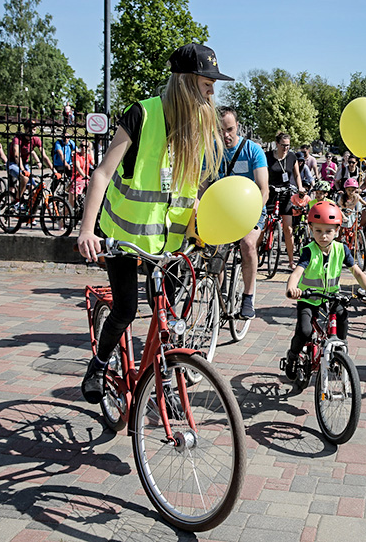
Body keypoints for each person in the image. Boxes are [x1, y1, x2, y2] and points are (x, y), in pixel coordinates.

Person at [77, 42, 232, 404]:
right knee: (126, 308)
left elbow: (192, 191)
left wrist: (203, 228)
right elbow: (102, 173)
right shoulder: (142, 114)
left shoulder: (198, 128)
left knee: (169, 315)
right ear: (186, 82)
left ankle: (163, 378)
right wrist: (87, 230)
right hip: (123, 236)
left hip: (170, 243)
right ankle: (99, 363)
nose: (212, 91)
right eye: (207, 83)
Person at [283, 201, 366, 379]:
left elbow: (357, 272)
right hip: (308, 298)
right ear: (311, 229)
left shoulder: (341, 249)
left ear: (337, 231)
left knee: (342, 315)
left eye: (328, 231)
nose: (323, 236)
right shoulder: (308, 251)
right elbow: (297, 273)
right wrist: (292, 288)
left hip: (331, 297)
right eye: (318, 230)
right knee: (304, 331)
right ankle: (293, 356)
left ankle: (340, 350)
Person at [217, 106, 269, 319]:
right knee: (213, 248)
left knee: (247, 244)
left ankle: (248, 296)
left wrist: (253, 214)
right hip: (223, 210)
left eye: (229, 129)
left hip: (252, 210)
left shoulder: (253, 151)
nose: (226, 135)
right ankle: (217, 292)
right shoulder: (211, 152)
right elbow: (202, 186)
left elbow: (263, 189)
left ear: (237, 126)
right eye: (221, 131)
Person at [265, 132, 304, 269]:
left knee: (288, 228)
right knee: (263, 225)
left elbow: (297, 174)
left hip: (285, 192)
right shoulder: (268, 157)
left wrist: (300, 187)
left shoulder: (292, 156)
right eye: (283, 145)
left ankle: (291, 260)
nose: (286, 148)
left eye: (288, 145)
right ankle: (257, 252)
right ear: (277, 144)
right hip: (270, 192)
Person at [10, 119, 53, 199]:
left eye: (34, 129)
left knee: (34, 189)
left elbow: (44, 156)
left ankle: (29, 208)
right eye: (30, 129)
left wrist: (53, 170)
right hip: (13, 163)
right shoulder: (18, 138)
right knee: (25, 178)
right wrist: (23, 170)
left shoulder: (36, 139)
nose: (32, 131)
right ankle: (17, 202)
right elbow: (16, 155)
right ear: (25, 129)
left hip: (25, 164)